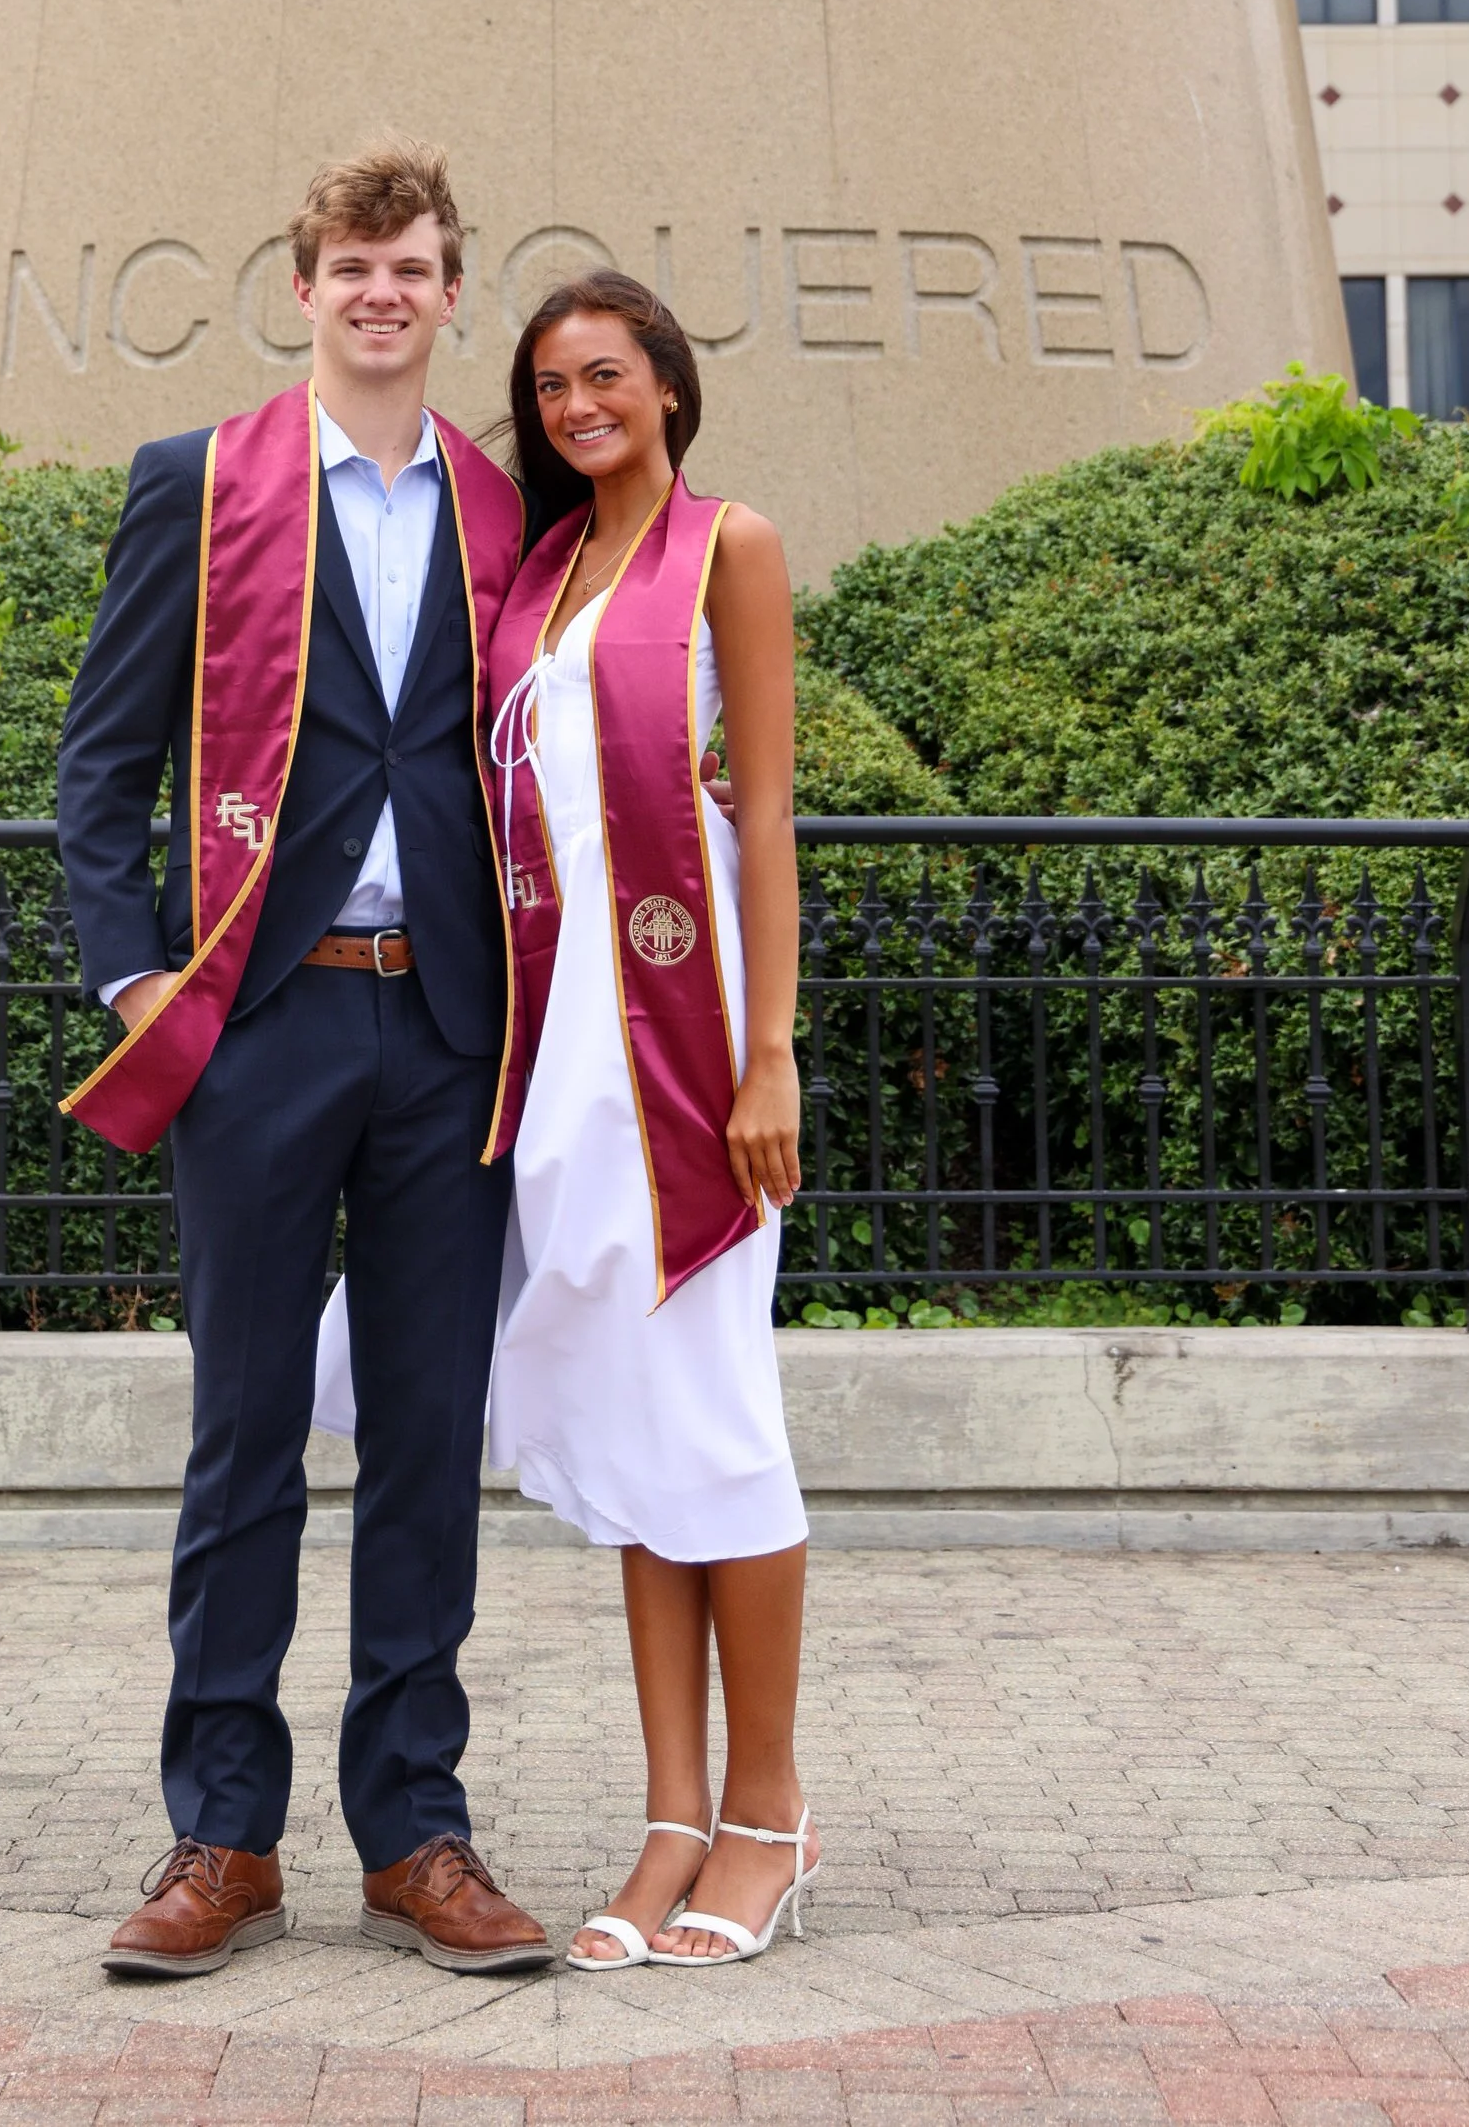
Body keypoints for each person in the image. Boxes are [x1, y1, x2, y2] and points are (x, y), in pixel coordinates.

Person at [54, 141, 549, 1981]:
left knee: (426, 1442)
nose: (381, 293)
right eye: (353, 265)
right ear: (304, 287)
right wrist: (136, 982)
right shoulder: (201, 484)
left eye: (412, 266)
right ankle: (224, 1835)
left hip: (451, 1030)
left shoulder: (510, 513)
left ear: (450, 292)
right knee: (248, 1435)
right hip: (258, 1025)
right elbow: (104, 762)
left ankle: (414, 1831)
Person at [486, 270, 815, 1970]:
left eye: (605, 374)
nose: (577, 406)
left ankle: (768, 1815)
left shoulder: (726, 548)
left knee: (716, 1416)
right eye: (552, 385)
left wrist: (771, 1054)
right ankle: (672, 1816)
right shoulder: (541, 574)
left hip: (689, 1043)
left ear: (669, 385)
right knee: (635, 1429)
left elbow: (766, 816)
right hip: (564, 1055)